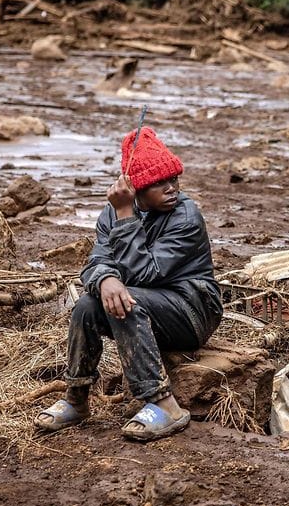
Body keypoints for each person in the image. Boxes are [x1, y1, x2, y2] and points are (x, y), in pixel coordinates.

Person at [35, 127, 222, 441]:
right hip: (149, 302)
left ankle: (163, 403)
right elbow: (95, 261)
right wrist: (106, 278)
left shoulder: (186, 216)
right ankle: (77, 398)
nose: (171, 189)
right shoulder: (113, 212)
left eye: (174, 179)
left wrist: (125, 215)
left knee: (126, 302)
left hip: (192, 308)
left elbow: (145, 273)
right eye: (159, 183)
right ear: (135, 188)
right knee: (86, 304)